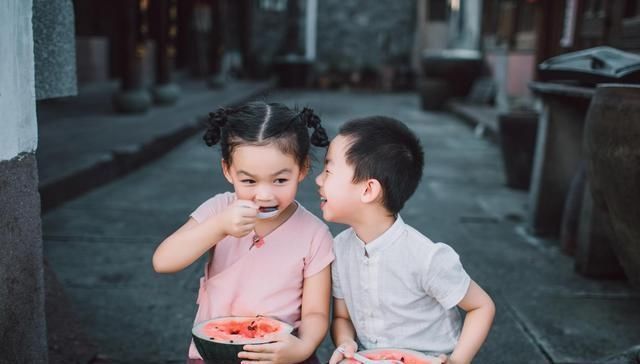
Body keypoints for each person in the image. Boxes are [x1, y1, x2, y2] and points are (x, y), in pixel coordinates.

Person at [152, 101, 335, 364]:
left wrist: (302, 348)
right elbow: (163, 261)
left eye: (280, 180)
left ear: (302, 169)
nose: (264, 194)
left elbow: (316, 313)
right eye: (249, 181)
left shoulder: (315, 234)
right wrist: (217, 227)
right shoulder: (218, 209)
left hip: (282, 355)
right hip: (215, 352)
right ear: (228, 171)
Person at [316, 116, 495, 364]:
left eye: (328, 171)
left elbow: (482, 306)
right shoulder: (340, 248)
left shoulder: (426, 257)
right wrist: (346, 343)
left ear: (368, 190)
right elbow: (342, 318)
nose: (318, 180)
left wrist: (457, 361)